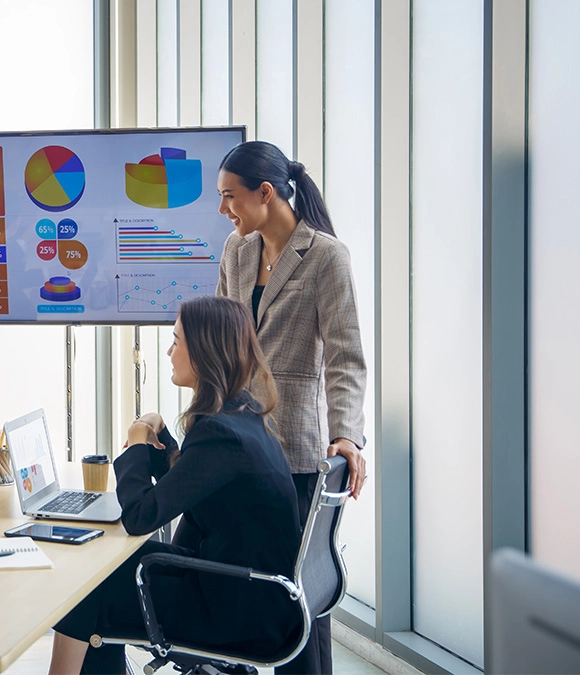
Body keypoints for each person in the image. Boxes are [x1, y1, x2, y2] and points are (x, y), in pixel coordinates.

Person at [48, 296, 303, 675]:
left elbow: (141, 516)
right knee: (99, 575)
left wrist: (137, 443)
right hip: (251, 595)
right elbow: (194, 487)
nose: (169, 352)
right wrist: (162, 435)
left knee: (84, 590)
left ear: (202, 353)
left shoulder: (221, 432)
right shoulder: (240, 415)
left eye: (176, 341)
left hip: (236, 610)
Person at [215, 140, 369, 674]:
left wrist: (348, 435)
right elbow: (219, 345)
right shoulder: (236, 252)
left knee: (296, 601)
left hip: (297, 454)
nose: (222, 210)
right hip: (236, 446)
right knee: (237, 585)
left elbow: (346, 357)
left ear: (266, 193)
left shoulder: (325, 256)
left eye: (229, 196)